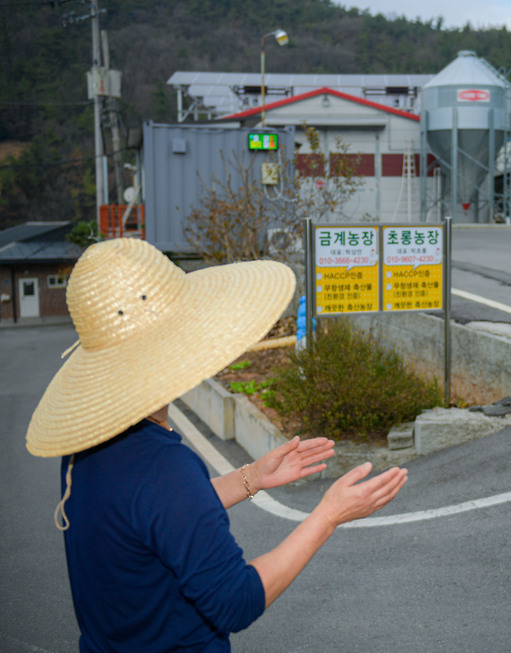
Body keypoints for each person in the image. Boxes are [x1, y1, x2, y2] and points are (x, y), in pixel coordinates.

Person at [26, 238, 408, 652]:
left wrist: (252, 477)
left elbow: (154, 516)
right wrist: (328, 516)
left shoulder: (90, 444)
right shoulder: (163, 466)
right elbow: (235, 601)